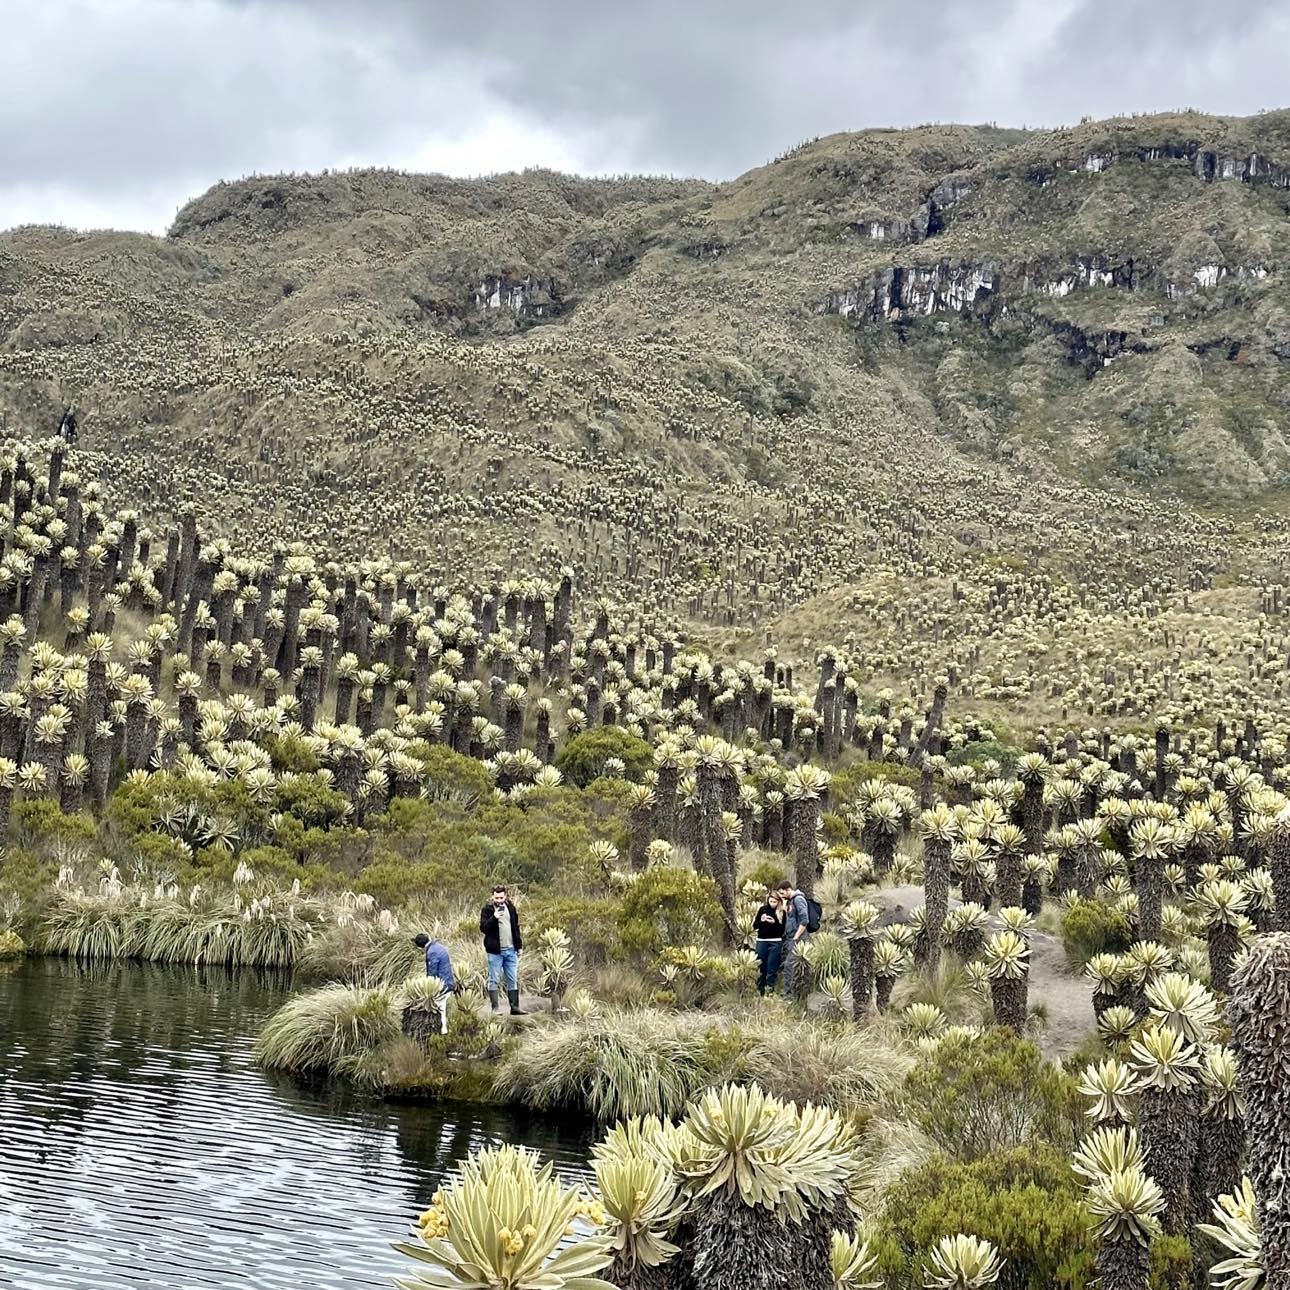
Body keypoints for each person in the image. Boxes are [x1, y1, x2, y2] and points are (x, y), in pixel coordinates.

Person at [480, 883, 524, 1015]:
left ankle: (514, 1007)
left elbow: (515, 927)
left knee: (512, 978)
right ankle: (495, 1008)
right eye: (496, 898)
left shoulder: (511, 907)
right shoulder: (487, 910)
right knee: (494, 979)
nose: (498, 900)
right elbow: (483, 928)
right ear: (492, 897)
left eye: (501, 898)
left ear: (505, 896)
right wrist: (494, 917)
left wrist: (519, 945)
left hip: (511, 950)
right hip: (495, 952)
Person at [412, 933, 455, 1034]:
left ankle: (444, 1033)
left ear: (420, 947)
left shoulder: (432, 953)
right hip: (449, 982)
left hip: (442, 986)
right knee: (446, 1010)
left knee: (441, 1012)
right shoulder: (438, 946)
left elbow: (432, 974)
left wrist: (429, 987)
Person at [776, 879, 810, 996]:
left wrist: (796, 937)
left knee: (790, 965)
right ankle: (790, 992)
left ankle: (788, 994)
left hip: (798, 938)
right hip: (790, 937)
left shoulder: (799, 900)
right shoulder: (790, 901)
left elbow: (804, 920)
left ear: (788, 890)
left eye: (782, 893)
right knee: (788, 964)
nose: (781, 896)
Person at [753, 890, 785, 995]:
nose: (772, 904)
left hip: (775, 942)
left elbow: (782, 930)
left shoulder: (781, 912)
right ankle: (759, 990)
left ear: (779, 902)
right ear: (768, 900)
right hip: (762, 941)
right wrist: (762, 920)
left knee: (772, 968)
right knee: (760, 966)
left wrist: (774, 922)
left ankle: (769, 991)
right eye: (771, 901)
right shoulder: (762, 910)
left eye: (774, 902)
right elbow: (755, 926)